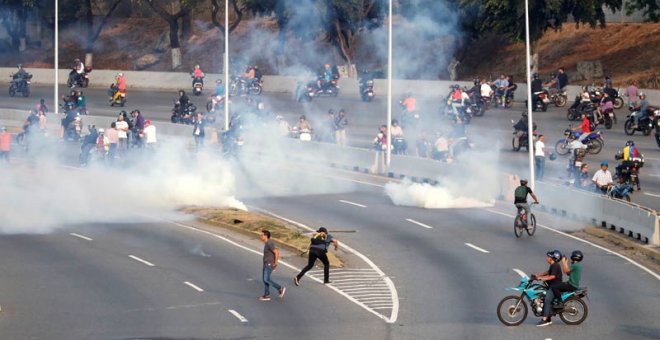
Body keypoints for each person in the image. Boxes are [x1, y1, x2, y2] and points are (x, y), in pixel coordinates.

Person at [532, 250, 564, 327]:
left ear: (553, 258)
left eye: (548, 257)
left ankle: (544, 320)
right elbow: (548, 272)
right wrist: (538, 275)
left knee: (547, 300)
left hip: (554, 287)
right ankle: (548, 318)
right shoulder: (553, 265)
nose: (547, 258)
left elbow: (552, 276)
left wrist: (542, 278)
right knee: (542, 297)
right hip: (551, 286)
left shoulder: (556, 266)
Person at [260, 230, 285, 301]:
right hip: (266, 264)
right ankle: (266, 295)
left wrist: (275, 263)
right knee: (265, 280)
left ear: (265, 236)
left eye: (261, 235)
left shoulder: (269, 243)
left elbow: (276, 252)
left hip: (269, 264)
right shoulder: (267, 243)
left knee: (266, 279)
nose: (260, 236)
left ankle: (280, 288)